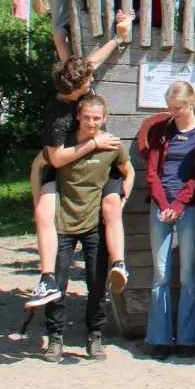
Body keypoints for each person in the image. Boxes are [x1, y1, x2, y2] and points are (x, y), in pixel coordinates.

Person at [25, 13, 133, 310]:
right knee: (43, 210)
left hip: (98, 165)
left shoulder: (77, 83)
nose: (91, 83)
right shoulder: (57, 116)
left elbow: (91, 64)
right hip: (67, 166)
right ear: (72, 91)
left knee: (111, 205)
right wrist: (94, 142)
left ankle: (119, 262)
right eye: (86, 84)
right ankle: (47, 278)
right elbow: (56, 158)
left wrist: (118, 36)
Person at [40, 94, 133, 362]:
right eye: (87, 117)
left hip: (94, 224)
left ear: (104, 119)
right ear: (78, 116)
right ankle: (55, 338)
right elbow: (42, 165)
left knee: (96, 284)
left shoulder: (112, 146)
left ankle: (95, 336)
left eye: (97, 118)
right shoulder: (63, 144)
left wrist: (122, 194)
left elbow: (128, 170)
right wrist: (39, 200)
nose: (91, 123)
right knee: (57, 284)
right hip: (62, 223)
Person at [143, 81, 195, 359]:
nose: (172, 112)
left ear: (191, 103)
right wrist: (163, 204)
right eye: (169, 107)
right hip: (160, 207)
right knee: (160, 274)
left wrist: (179, 204)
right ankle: (159, 337)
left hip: (190, 206)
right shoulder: (160, 130)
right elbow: (152, 171)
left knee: (188, 274)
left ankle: (187, 338)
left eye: (177, 107)